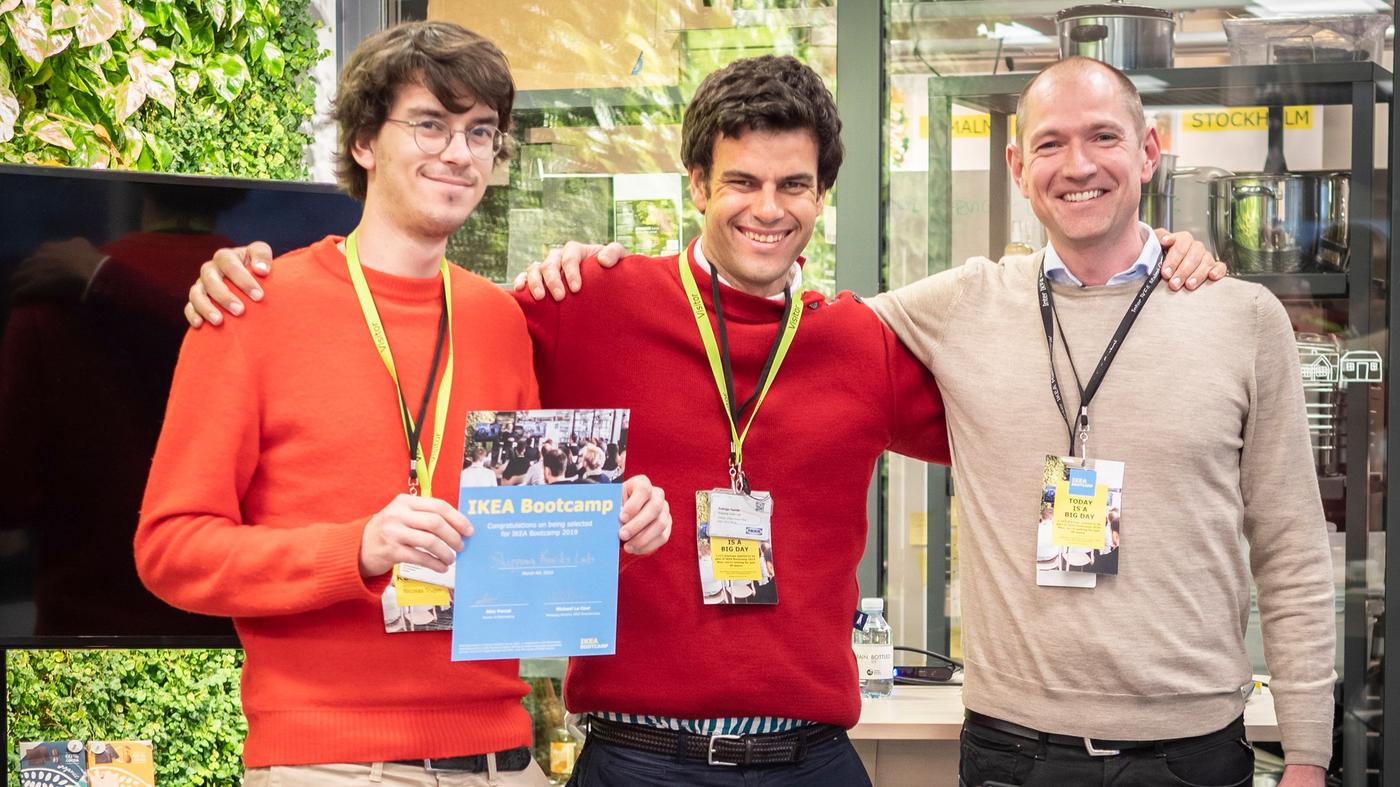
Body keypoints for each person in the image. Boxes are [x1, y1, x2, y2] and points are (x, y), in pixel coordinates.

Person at [179, 56, 1221, 785]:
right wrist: (238, 267)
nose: (766, 207)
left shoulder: (857, 338)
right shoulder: (572, 304)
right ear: (694, 184)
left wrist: (1140, 272)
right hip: (630, 756)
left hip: (811, 758)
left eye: (793, 186)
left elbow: (1016, 419)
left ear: (822, 197)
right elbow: (413, 311)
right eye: (740, 182)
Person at [134, 21, 669, 786]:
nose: (459, 151)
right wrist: (356, 549)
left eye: (480, 131)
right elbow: (169, 549)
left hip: (501, 761)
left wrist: (607, 528)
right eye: (430, 124)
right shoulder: (252, 306)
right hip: (330, 764)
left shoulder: (500, 319)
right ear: (362, 142)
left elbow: (517, 551)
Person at [866, 58, 1334, 786]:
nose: (1078, 165)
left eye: (1103, 137)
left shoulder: (1241, 318)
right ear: (1020, 167)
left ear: (1149, 152)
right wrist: (621, 276)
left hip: (1192, 752)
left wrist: (1307, 754)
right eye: (1050, 144)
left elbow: (1293, 549)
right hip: (1012, 752)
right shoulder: (964, 305)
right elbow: (795, 336)